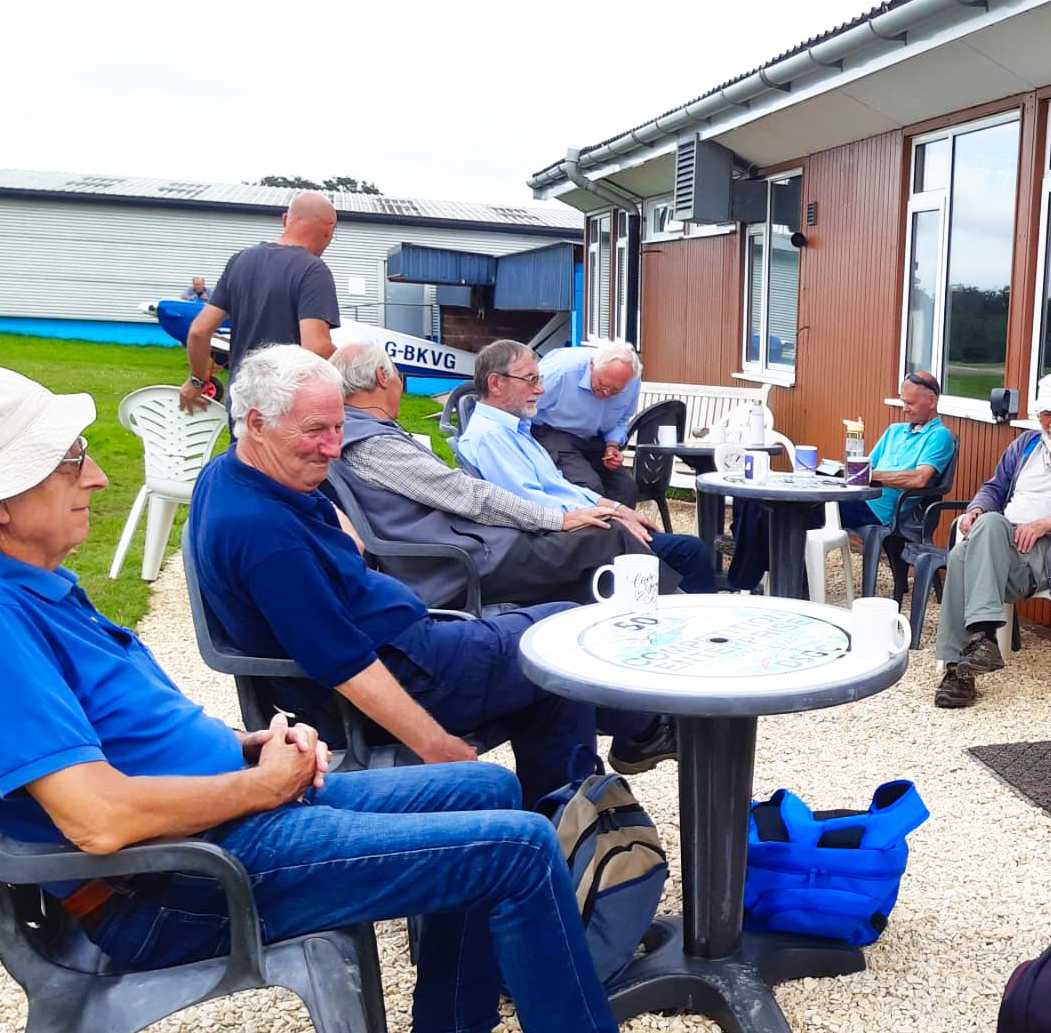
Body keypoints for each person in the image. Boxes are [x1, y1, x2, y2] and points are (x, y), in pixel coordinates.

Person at [0, 364, 729, 1033]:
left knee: (491, 788)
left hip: (223, 823)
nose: (97, 476)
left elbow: (122, 740)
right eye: (72, 461)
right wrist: (256, 785)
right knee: (518, 846)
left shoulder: (28, 584)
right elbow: (95, 817)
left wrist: (243, 747)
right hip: (181, 880)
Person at [189, 346, 674, 802]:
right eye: (317, 430)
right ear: (258, 423)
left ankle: (572, 807)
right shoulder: (268, 538)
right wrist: (435, 745)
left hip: (406, 645)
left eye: (339, 427)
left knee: (550, 662)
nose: (333, 449)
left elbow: (335, 526)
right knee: (557, 645)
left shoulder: (237, 471)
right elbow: (345, 665)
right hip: (404, 676)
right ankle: (638, 738)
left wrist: (341, 526)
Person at [331, 341, 676, 610]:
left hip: (468, 550)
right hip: (460, 564)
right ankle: (669, 620)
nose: (540, 389)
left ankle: (647, 618)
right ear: (383, 377)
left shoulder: (363, 434)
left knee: (613, 538)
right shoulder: (374, 443)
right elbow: (466, 495)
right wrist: (560, 520)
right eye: (532, 380)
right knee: (610, 538)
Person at [456, 340, 715, 593]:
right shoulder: (492, 437)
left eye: (539, 379)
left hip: (572, 516)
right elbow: (532, 505)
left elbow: (559, 486)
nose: (541, 389)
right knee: (689, 552)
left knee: (670, 534)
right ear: (496, 383)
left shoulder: (516, 430)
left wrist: (616, 508)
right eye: (531, 379)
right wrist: (606, 518)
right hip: (552, 542)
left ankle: (671, 601)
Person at [934, 372, 1051, 710]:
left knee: (962, 556)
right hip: (1000, 541)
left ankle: (964, 664)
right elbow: (994, 487)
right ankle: (975, 650)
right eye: (1046, 414)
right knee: (981, 531)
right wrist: (976, 509)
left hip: (1048, 551)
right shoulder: (1025, 445)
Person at [724, 369, 957, 593]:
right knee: (753, 498)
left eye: (910, 403)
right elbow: (867, 464)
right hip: (853, 493)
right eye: (903, 402)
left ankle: (763, 578)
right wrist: (843, 470)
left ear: (932, 401)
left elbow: (919, 478)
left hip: (875, 507)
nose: (904, 409)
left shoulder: (939, 436)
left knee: (782, 511)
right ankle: (762, 568)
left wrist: (866, 475)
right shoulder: (895, 431)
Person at [181, 191, 340, 413]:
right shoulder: (313, 270)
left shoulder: (240, 261)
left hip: (242, 401)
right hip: (285, 405)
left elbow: (199, 331)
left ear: (285, 219)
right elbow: (316, 347)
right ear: (330, 230)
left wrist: (198, 380)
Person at [531, 340, 646, 507]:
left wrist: (612, 445)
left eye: (615, 391)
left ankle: (617, 525)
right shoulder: (560, 371)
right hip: (552, 433)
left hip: (594, 440)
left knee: (626, 489)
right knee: (589, 489)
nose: (607, 394)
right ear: (592, 365)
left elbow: (622, 419)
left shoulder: (631, 380)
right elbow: (521, 405)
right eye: (602, 386)